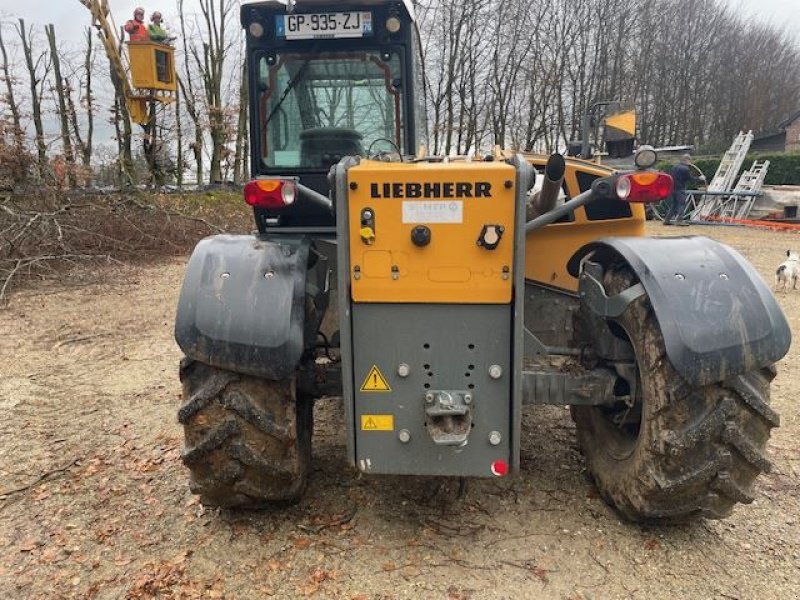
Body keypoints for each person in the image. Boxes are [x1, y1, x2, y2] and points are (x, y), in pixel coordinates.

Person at [664, 154, 705, 226]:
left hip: (672, 189)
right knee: (682, 204)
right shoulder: (685, 169)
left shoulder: (675, 167)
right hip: (680, 189)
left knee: (674, 205)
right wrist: (700, 178)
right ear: (687, 160)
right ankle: (679, 220)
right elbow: (690, 179)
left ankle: (667, 220)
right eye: (690, 161)